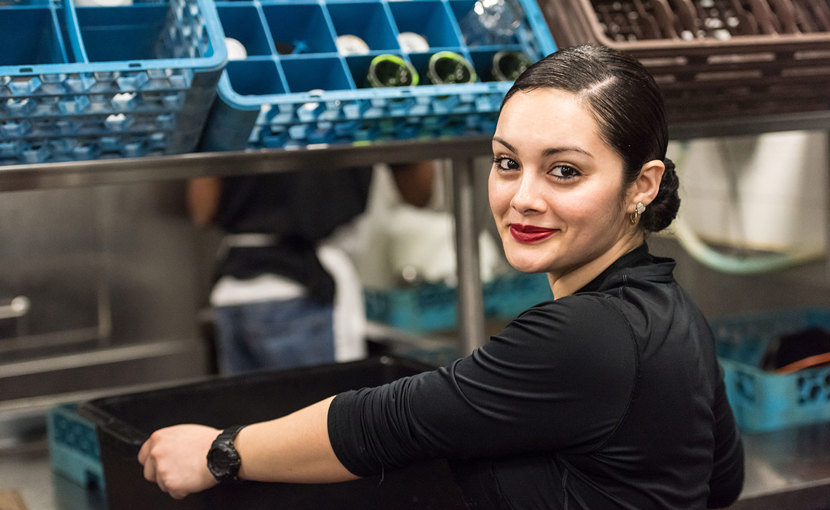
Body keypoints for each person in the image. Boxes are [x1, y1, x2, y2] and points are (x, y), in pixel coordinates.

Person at [139, 45, 744, 509]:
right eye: (508, 164)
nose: (522, 198)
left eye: (564, 171)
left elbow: (385, 423)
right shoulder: (671, 310)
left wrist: (222, 451)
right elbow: (721, 478)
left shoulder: (586, 332)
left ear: (643, 184)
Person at [188, 161, 434, 374]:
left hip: (233, 294)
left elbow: (203, 210)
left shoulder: (232, 111)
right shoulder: (350, 106)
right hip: (304, 292)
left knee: (251, 422)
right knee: (325, 420)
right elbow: (420, 193)